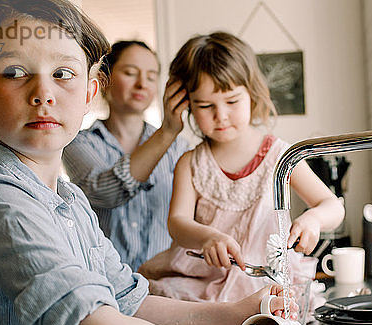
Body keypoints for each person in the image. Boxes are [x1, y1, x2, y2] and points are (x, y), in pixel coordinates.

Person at [0, 2, 296, 325]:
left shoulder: (70, 200)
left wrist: (236, 312)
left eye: (63, 74)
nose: (43, 93)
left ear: (90, 92)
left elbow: (128, 301)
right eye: (14, 72)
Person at [139, 32, 345, 303]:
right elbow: (177, 223)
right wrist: (207, 237)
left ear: (253, 95)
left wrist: (314, 219)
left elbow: (332, 206)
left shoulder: (280, 155)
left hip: (265, 284)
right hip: (202, 284)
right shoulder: (190, 163)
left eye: (232, 101)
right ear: (185, 103)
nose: (220, 115)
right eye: (205, 105)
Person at [62, 40, 190, 271]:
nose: (142, 84)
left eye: (151, 77)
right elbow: (107, 193)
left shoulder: (178, 148)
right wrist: (166, 132)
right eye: (131, 73)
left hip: (166, 286)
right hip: (104, 285)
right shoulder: (77, 142)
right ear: (104, 80)